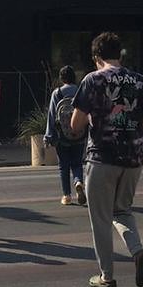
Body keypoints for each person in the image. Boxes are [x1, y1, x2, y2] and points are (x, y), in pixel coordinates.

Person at [71, 32, 143, 287]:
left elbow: (76, 124)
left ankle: (106, 276)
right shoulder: (140, 81)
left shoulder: (93, 80)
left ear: (97, 57)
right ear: (120, 54)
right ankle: (137, 250)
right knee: (123, 211)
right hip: (133, 159)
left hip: (101, 158)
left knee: (101, 219)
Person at [44, 65, 86, 206]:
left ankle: (66, 196)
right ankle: (78, 181)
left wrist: (49, 137)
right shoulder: (81, 91)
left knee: (63, 166)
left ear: (61, 78)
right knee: (77, 163)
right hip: (79, 133)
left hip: (62, 136)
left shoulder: (57, 93)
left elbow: (51, 116)